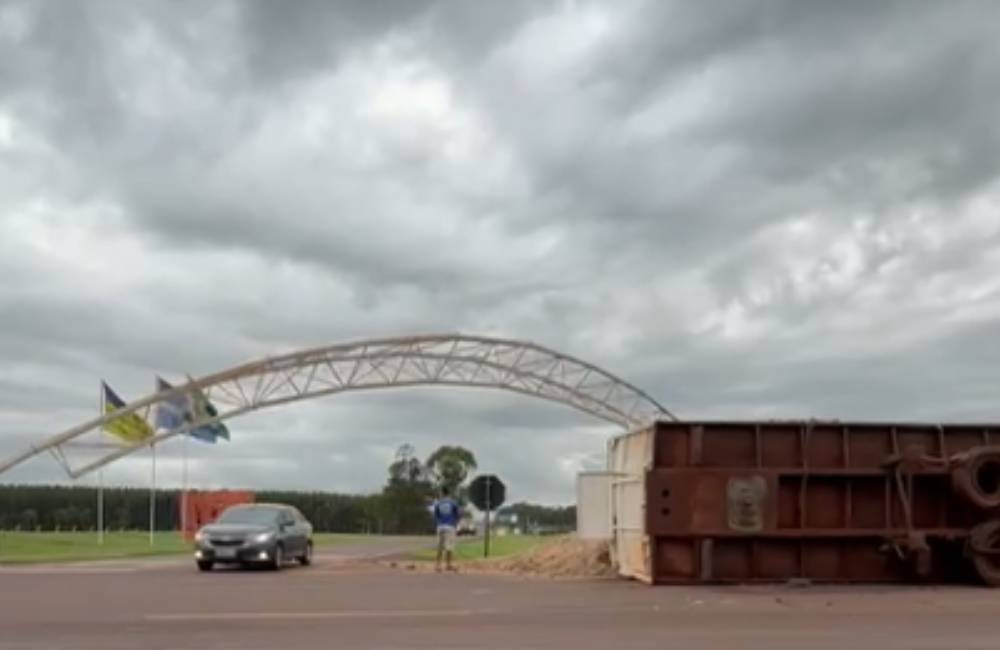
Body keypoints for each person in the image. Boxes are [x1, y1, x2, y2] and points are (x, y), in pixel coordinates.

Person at [432, 487, 461, 572]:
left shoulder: (438, 503)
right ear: (448, 493)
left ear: (442, 493)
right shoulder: (453, 503)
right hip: (450, 526)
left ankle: (438, 565)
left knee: (440, 546)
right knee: (449, 546)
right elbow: (457, 514)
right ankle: (448, 564)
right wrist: (455, 523)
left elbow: (436, 515)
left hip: (440, 526)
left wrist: (439, 522)